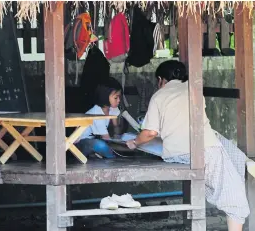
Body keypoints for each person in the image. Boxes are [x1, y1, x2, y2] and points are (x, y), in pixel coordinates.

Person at [126, 60, 250, 231]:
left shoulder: (158, 96)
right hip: (206, 151)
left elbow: (149, 133)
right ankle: (243, 165)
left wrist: (133, 142)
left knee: (220, 144)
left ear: (161, 79)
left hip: (177, 154)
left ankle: (241, 162)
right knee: (234, 195)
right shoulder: (195, 91)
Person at [75, 77, 122, 159]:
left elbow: (116, 127)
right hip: (80, 144)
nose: (119, 100)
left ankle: (96, 154)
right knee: (100, 145)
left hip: (93, 139)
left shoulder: (113, 108)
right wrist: (120, 145)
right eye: (116, 98)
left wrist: (119, 137)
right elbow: (106, 138)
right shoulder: (96, 113)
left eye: (119, 97)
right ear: (104, 96)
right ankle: (113, 159)